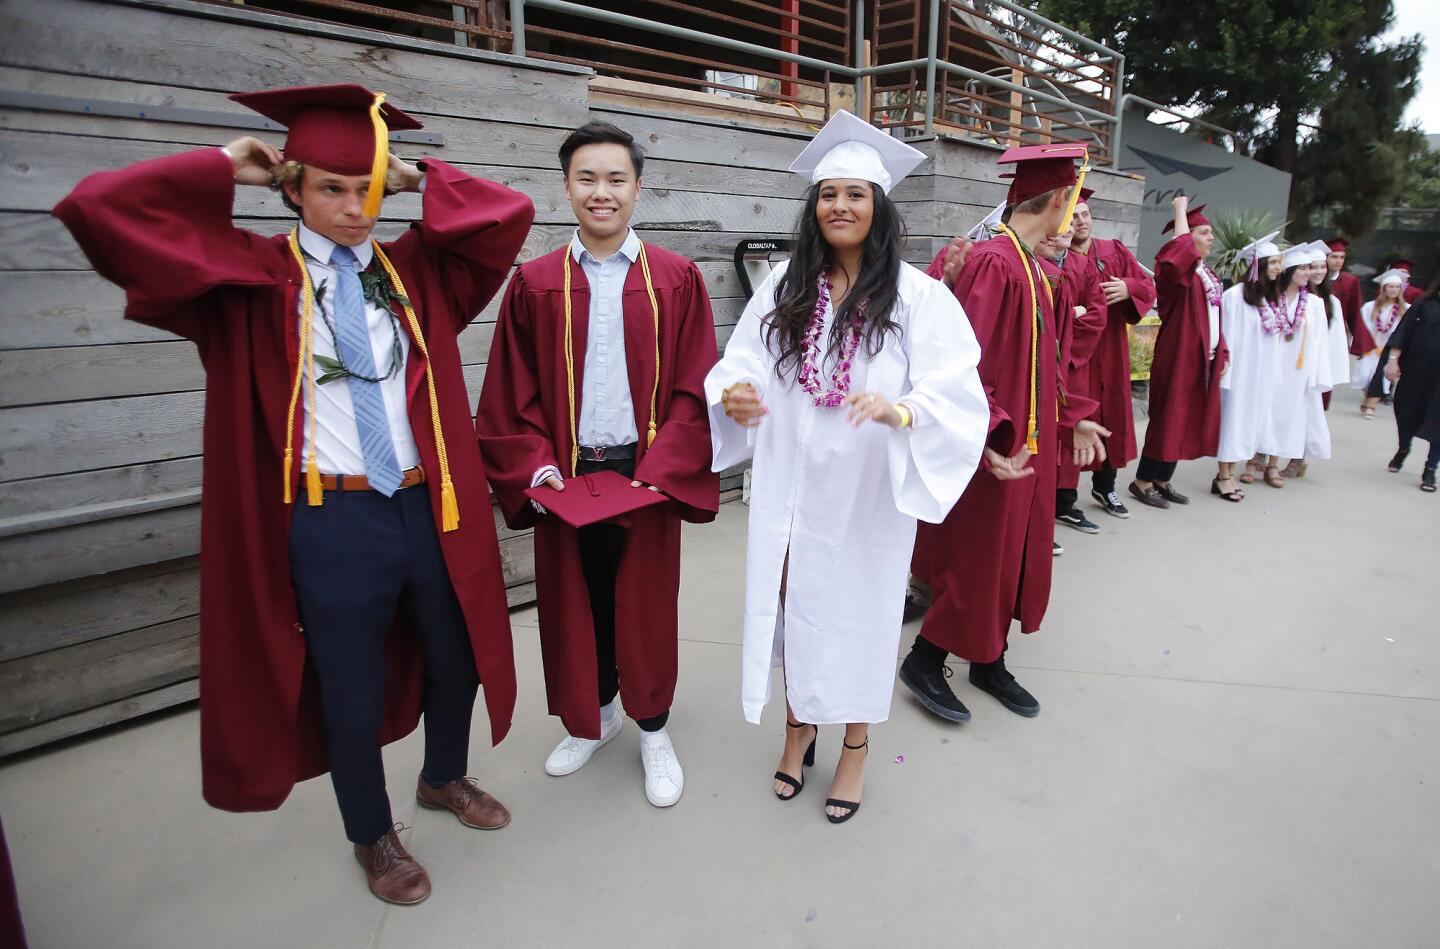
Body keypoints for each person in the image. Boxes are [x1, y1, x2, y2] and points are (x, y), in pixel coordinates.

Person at [52, 84, 534, 905]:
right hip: (330, 515)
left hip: (429, 503)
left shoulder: (417, 270)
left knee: (457, 657)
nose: (356, 209)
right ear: (291, 188)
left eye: (368, 190)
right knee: (347, 680)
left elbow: (508, 212)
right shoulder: (243, 279)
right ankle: (372, 833)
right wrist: (218, 167)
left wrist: (411, 177)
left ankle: (443, 775)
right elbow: (96, 209)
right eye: (333, 189)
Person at [706, 110, 988, 823]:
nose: (840, 205)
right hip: (792, 484)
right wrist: (733, 393)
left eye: (855, 194)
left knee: (859, 613)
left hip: (866, 491)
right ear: (815, 206)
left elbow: (958, 389)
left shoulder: (920, 296)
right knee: (796, 607)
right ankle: (800, 727)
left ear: (879, 206)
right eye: (829, 193)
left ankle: (856, 744)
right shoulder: (783, 284)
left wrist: (902, 412)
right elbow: (742, 362)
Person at [476, 122, 720, 808]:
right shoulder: (533, 283)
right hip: (568, 478)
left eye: (616, 179)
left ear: (638, 188)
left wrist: (663, 468)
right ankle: (597, 714)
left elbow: (695, 387)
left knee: (642, 606)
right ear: (566, 187)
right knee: (577, 605)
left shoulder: (676, 278)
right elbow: (509, 395)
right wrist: (539, 467)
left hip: (645, 474)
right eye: (587, 178)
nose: (601, 192)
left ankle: (653, 729)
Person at [903, 143, 1108, 724]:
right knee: (979, 557)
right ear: (1061, 201)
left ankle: (989, 659)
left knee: (1017, 553)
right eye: (1073, 202)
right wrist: (992, 437)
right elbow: (962, 365)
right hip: (998, 446)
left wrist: (1074, 417)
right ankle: (925, 659)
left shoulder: (1034, 269)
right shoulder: (996, 264)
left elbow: (1047, 367)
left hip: (1030, 446)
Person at [1129, 195, 1227, 508]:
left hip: (1204, 359)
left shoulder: (1206, 276)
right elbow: (1177, 255)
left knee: (1185, 419)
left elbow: (1216, 318)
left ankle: (1163, 479)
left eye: (1211, 233)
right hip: (1178, 357)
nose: (1210, 237)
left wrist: (1220, 353)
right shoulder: (1176, 275)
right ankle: (1142, 482)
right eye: (1203, 232)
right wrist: (1180, 211)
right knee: (1168, 418)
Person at [1069, 189, 1158, 518]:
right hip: (1080, 355)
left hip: (1112, 349)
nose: (1081, 222)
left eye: (1085, 215)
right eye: (1074, 216)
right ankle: (1064, 498)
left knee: (1112, 417)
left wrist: (1128, 288)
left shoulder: (1113, 251)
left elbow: (1146, 286)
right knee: (1079, 417)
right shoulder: (1059, 255)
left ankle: (1105, 487)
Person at [1043, 220, 1109, 535]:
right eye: (1067, 217)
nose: (1071, 225)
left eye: (1078, 217)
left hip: (1072, 364)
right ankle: (1038, 517)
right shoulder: (1024, 264)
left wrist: (1066, 335)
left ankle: (1064, 505)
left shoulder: (1083, 265)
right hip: (1040, 358)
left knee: (1070, 441)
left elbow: (1097, 313)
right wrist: (1066, 318)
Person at [1214, 233, 1283, 500]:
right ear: (1258, 265)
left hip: (1260, 374)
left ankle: (1229, 473)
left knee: (1248, 424)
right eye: (1273, 262)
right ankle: (1224, 476)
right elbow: (1227, 337)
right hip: (1239, 373)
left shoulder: (1269, 299)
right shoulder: (1234, 297)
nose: (1278, 268)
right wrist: (1227, 372)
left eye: (1279, 262)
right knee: (1233, 422)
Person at [1256, 244, 1331, 488]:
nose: (1308, 273)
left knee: (1288, 416)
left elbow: (1320, 342)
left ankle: (1273, 465)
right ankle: (1254, 458)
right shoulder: (1271, 299)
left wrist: (1317, 374)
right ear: (1289, 271)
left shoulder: (1314, 304)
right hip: (1272, 364)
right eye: (1302, 268)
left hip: (1298, 370)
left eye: (1310, 268)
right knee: (1264, 409)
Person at [1384, 276, 1440, 491]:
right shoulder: (1424, 304)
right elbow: (1403, 333)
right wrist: (1393, 361)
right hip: (1416, 372)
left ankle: (1430, 469)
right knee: (1406, 412)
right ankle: (1403, 448)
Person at [1355, 269, 1410, 417]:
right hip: (1370, 348)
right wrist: (1362, 345)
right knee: (1365, 376)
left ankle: (1370, 407)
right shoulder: (1370, 307)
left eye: (1397, 287)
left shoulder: (1407, 309)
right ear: (1383, 288)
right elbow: (1362, 327)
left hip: (1390, 350)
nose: (1393, 290)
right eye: (1390, 286)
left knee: (1381, 377)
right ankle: (1368, 400)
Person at [1323, 236, 1376, 367]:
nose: (1338, 261)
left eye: (1342, 257)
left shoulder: (1350, 281)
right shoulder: (1313, 279)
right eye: (1334, 257)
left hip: (1336, 332)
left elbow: (1354, 313)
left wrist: (1360, 343)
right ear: (1326, 257)